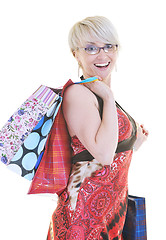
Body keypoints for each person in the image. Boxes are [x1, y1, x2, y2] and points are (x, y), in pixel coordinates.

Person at [47, 16, 148, 240]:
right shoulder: (78, 94)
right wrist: (108, 96)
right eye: (91, 48)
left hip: (109, 213)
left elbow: (101, 151)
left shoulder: (100, 96)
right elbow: (103, 155)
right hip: (82, 219)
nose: (102, 55)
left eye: (108, 46)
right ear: (76, 54)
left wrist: (133, 144)